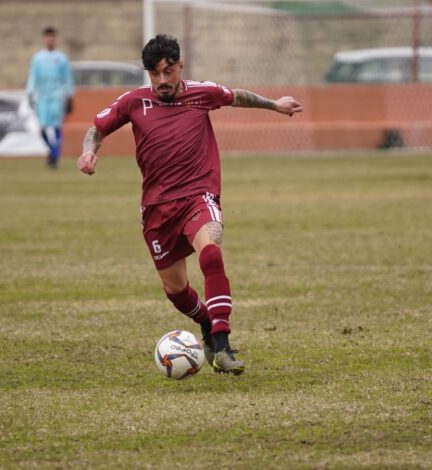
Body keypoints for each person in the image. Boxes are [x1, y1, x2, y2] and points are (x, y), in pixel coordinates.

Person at [77, 34, 303, 375]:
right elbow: (97, 128)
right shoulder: (134, 101)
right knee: (176, 289)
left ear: (180, 66)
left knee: (210, 252)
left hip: (199, 196)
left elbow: (236, 96)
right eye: (154, 73)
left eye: (169, 71)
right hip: (156, 208)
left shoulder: (201, 93)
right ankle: (207, 324)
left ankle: (223, 347)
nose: (162, 80)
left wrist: (274, 104)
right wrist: (88, 150)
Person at [26, 26, 74, 169]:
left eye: (52, 36)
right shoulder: (37, 58)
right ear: (44, 39)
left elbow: (67, 79)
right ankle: (52, 150)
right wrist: (30, 93)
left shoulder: (62, 58)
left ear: (55, 38)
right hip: (42, 98)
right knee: (42, 129)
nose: (49, 39)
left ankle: (54, 157)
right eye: (47, 37)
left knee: (57, 127)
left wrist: (70, 96)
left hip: (57, 97)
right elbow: (33, 77)